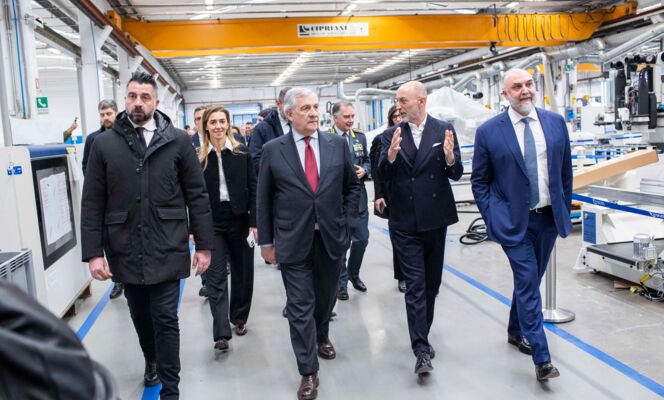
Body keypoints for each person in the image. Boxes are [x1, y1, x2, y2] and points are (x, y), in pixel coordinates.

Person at [81, 71, 213, 400]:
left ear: (155, 102)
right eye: (132, 96)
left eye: (144, 97)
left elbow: (197, 195)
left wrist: (204, 245)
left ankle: (171, 389)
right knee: (140, 314)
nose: (137, 103)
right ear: (125, 99)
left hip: (168, 241)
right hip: (124, 244)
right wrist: (94, 253)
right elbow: (93, 200)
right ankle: (151, 357)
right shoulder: (103, 144)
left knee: (166, 318)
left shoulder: (177, 141)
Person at [257, 87, 360, 400]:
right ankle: (308, 371)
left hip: (331, 237)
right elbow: (264, 198)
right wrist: (266, 242)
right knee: (300, 305)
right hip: (292, 239)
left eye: (316, 107)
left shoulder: (336, 144)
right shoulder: (273, 150)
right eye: (305, 108)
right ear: (289, 114)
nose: (314, 113)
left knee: (325, 298)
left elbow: (351, 188)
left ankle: (322, 334)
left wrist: (347, 222)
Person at [471, 68, 572, 382]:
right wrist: (493, 216)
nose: (525, 90)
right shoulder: (489, 131)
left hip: (548, 219)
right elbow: (480, 181)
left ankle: (516, 329)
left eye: (529, 84)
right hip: (514, 223)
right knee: (528, 282)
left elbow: (565, 173)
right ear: (505, 94)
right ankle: (542, 359)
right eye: (517, 87)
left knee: (531, 279)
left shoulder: (554, 123)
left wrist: (563, 208)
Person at [378, 80, 463, 376]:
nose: (398, 106)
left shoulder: (443, 130)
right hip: (404, 220)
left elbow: (456, 173)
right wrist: (390, 157)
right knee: (415, 285)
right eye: (397, 101)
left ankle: (421, 335)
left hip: (435, 219)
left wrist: (450, 158)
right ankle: (421, 349)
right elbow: (381, 174)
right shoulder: (391, 135)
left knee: (431, 285)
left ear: (421, 101)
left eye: (403, 100)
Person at [199, 106, 257, 350]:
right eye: (213, 122)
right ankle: (221, 332)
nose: (218, 126)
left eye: (222, 121)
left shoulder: (241, 152)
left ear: (228, 124)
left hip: (240, 219)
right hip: (212, 222)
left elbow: (254, 187)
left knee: (243, 272)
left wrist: (254, 223)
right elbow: (194, 196)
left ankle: (239, 317)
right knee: (215, 276)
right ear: (206, 126)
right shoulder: (199, 158)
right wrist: (194, 229)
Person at [81, 99, 124, 300]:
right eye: (102, 114)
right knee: (109, 240)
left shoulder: (125, 135)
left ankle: (127, 277)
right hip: (104, 199)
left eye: (109, 113)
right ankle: (117, 280)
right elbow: (86, 166)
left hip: (121, 196)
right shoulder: (93, 140)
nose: (106, 117)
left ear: (116, 112)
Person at [328, 101, 370, 301]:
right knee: (341, 244)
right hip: (335, 199)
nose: (351, 120)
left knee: (362, 238)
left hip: (359, 198)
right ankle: (341, 283)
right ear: (335, 117)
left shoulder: (359, 137)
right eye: (346, 117)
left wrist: (365, 170)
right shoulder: (325, 138)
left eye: (352, 116)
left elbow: (367, 160)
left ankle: (354, 274)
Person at [370, 105, 406, 293]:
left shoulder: (413, 137)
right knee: (398, 237)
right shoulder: (382, 139)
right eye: (395, 116)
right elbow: (376, 170)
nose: (398, 119)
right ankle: (402, 276)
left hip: (412, 195)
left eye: (401, 115)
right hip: (392, 195)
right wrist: (379, 195)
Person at [249, 87, 291, 174]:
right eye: (288, 104)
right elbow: (255, 159)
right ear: (278, 103)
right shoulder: (262, 129)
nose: (292, 109)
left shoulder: (301, 125)